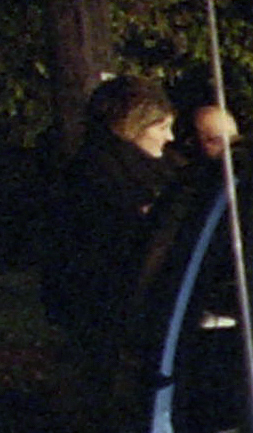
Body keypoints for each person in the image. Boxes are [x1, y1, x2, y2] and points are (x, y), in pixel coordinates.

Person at [41, 74, 181, 413]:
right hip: (110, 309)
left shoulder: (158, 168)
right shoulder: (98, 175)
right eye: (161, 127)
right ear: (132, 125)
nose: (170, 137)